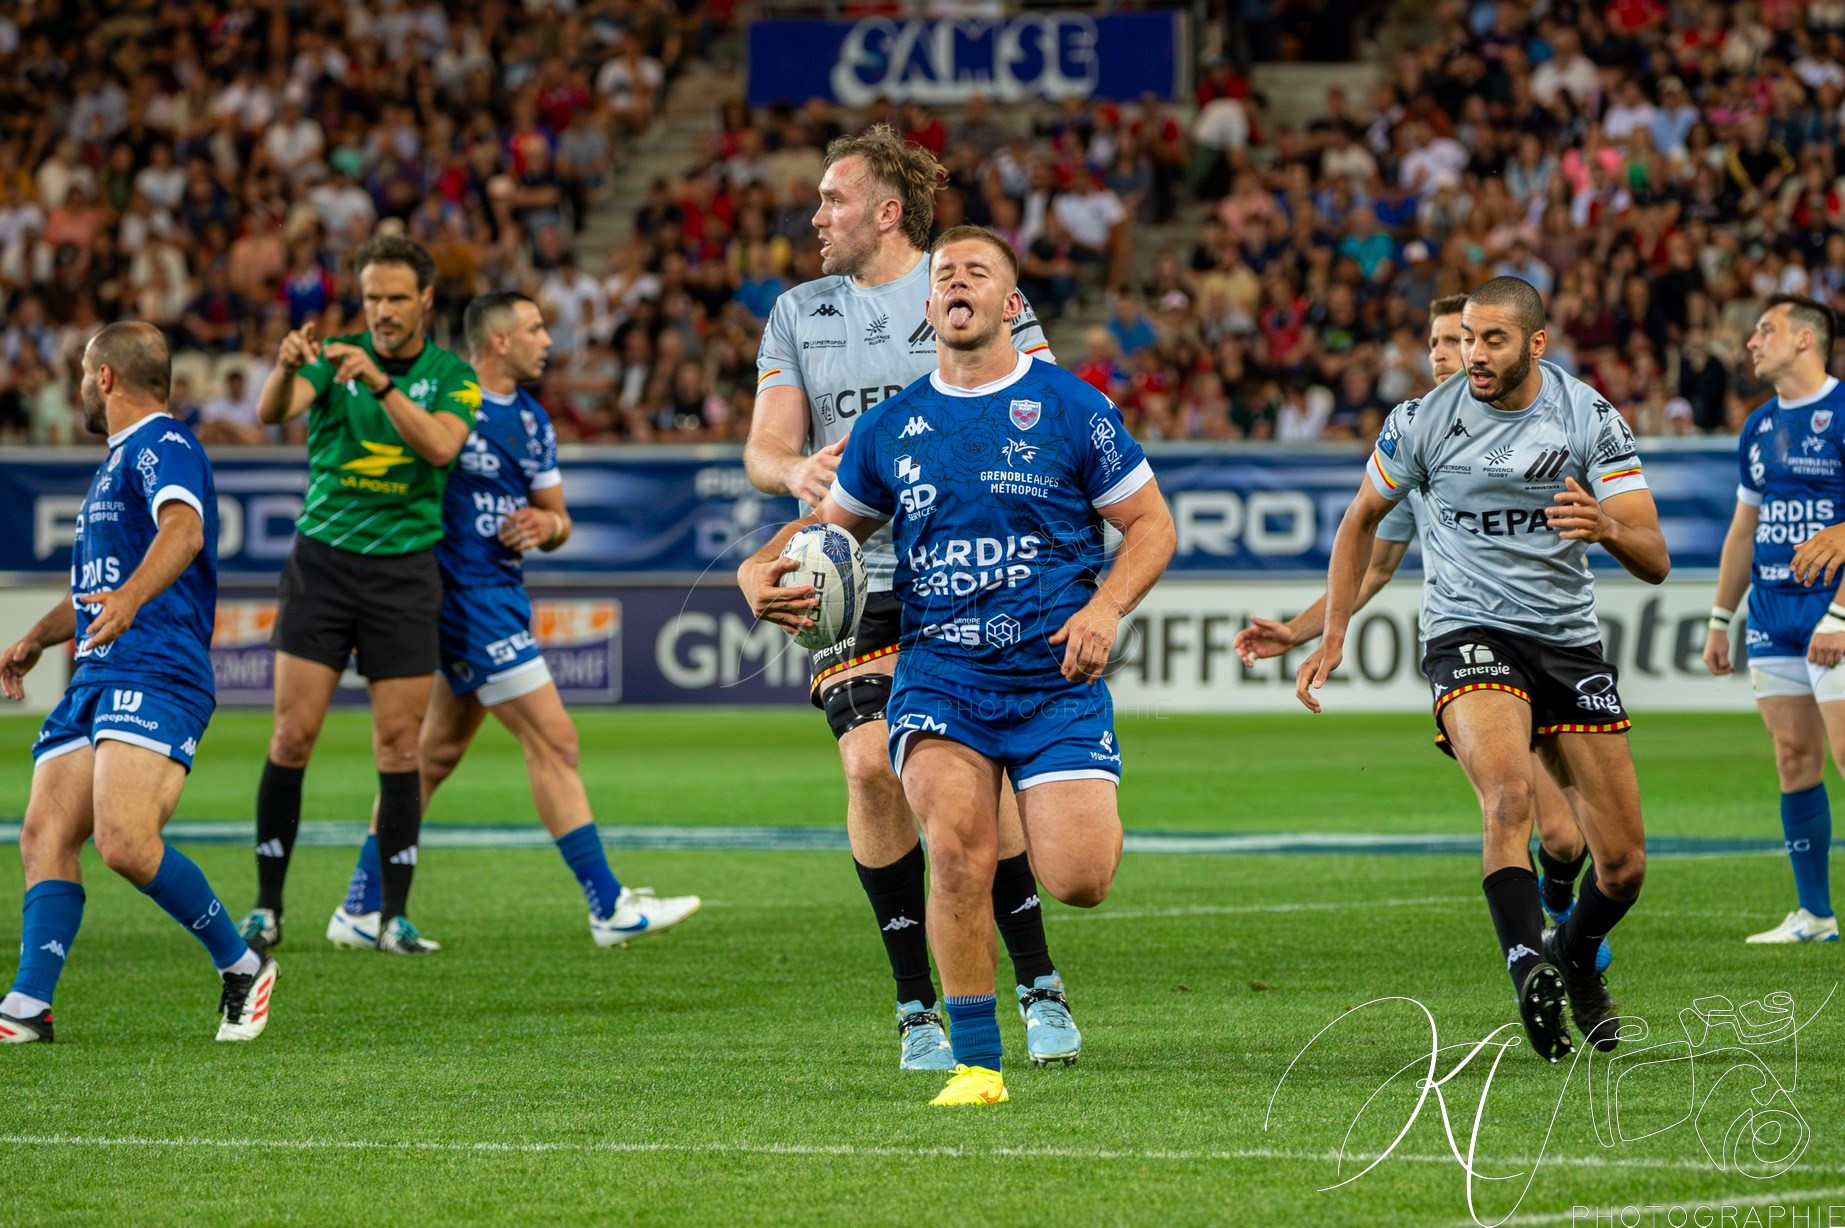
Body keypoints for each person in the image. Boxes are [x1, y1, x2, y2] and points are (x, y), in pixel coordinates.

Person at [741, 227, 1174, 1105]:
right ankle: (974, 1064)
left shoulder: (1073, 407)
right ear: (930, 307)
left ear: (1011, 304)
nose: (956, 284)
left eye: (976, 272)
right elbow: (829, 530)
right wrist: (760, 565)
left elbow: (1151, 525)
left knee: (1081, 879)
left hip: (1052, 680)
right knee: (955, 854)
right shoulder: (890, 427)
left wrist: (1103, 609)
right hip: (941, 676)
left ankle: (1039, 978)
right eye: (944, 276)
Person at [744, 126, 1079, 1071]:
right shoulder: (797, 313)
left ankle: (1036, 981)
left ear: (887, 212)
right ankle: (913, 1005)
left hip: (973, 567)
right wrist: (795, 473)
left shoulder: (965, 286)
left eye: (833, 200)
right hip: (855, 570)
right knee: (868, 768)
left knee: (966, 784)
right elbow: (764, 447)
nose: (816, 216)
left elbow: (1044, 406)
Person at [1299, 277, 1669, 1061]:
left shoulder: (1587, 416)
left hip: (1565, 643)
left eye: (1491, 339)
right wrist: (1331, 634)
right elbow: (1359, 522)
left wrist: (1604, 527)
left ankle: (1572, 951)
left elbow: (1654, 556)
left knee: (1622, 866)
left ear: (1536, 343)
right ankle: (1528, 966)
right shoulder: (1421, 421)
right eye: (1466, 337)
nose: (1472, 353)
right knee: (1507, 797)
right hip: (1467, 631)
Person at [1236, 296, 1612, 966]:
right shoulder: (1421, 441)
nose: (1445, 354)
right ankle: (1539, 952)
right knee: (1516, 805)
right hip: (1472, 648)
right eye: (1439, 342)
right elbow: (1376, 565)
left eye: (1455, 340)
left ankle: (1558, 909)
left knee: (1565, 841)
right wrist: (1301, 632)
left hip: (1550, 642)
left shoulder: (1544, 421)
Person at [326, 292, 701, 947]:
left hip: (499, 592)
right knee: (555, 743)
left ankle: (360, 908)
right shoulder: (442, 397)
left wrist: (545, 525)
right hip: (463, 599)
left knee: (434, 756)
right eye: (535, 328)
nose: (548, 340)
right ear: (498, 340)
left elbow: (559, 519)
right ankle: (608, 907)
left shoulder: (531, 418)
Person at [0, 323, 277, 1043]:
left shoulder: (165, 442)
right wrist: (37, 638)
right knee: (45, 834)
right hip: (98, 669)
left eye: (82, 373)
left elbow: (183, 531)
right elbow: (97, 593)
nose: (80, 387)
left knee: (124, 840)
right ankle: (28, 1005)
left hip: (156, 664)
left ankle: (243, 963)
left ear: (105, 378)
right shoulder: (117, 462)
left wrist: (128, 600)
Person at [238, 235, 481, 956]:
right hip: (322, 566)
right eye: (372, 297)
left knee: (400, 748)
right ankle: (267, 908)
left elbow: (441, 447)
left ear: (425, 299)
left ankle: (391, 918)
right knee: (291, 736)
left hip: (403, 574)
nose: (382, 310)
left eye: (397, 297)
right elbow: (273, 411)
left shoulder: (453, 376)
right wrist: (286, 369)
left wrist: (378, 383)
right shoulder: (333, 354)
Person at [1703, 296, 1842, 944]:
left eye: (1766, 330)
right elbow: (1743, 529)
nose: (1752, 341)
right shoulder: (1758, 426)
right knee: (1792, 758)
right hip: (1771, 610)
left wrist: (1839, 613)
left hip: (1834, 606)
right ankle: (1814, 915)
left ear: (1806, 340)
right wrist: (1719, 617)